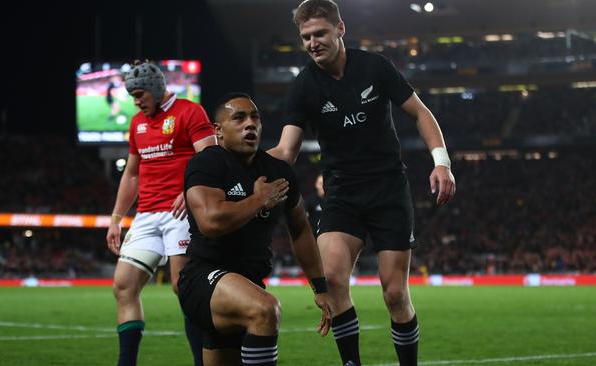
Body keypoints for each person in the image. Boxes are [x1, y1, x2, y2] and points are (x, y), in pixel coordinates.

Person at [268, 1, 457, 365]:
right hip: (342, 194)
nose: (312, 42)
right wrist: (239, 160)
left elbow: (420, 112)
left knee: (394, 294)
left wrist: (442, 163)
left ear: (340, 29)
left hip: (388, 191)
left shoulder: (375, 66)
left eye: (319, 33)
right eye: (305, 37)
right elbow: (287, 150)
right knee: (334, 280)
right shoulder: (304, 85)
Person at [178, 93, 333, 366]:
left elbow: (300, 230)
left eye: (255, 118)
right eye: (238, 118)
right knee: (265, 310)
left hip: (247, 282)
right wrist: (259, 200)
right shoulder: (208, 163)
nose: (250, 124)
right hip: (204, 278)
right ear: (218, 132)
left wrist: (320, 287)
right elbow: (211, 222)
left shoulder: (278, 171)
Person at [106, 60, 216, 366]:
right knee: (124, 286)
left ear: (155, 88)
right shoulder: (137, 123)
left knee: (185, 289)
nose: (136, 101)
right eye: (133, 96)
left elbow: (211, 159)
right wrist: (116, 219)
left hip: (181, 213)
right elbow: (131, 174)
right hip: (146, 215)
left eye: (139, 94)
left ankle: (202, 362)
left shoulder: (190, 112)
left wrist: (190, 191)